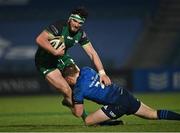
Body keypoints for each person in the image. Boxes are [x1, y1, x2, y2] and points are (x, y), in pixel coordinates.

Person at [35, 7, 111, 105]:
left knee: (81, 85)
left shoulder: (80, 34)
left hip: (62, 58)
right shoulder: (60, 26)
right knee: (67, 90)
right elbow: (40, 39)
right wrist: (54, 52)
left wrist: (102, 73)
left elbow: (92, 53)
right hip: (45, 62)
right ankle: (82, 114)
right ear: (70, 19)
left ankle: (95, 117)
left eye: (80, 23)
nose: (76, 25)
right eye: (74, 20)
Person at [62, 64, 180, 126]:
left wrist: (69, 103)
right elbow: (77, 70)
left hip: (116, 104)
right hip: (124, 94)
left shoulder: (78, 89)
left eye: (66, 80)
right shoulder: (87, 70)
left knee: (88, 121)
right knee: (152, 114)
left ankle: (111, 123)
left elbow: (78, 113)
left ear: (68, 78)